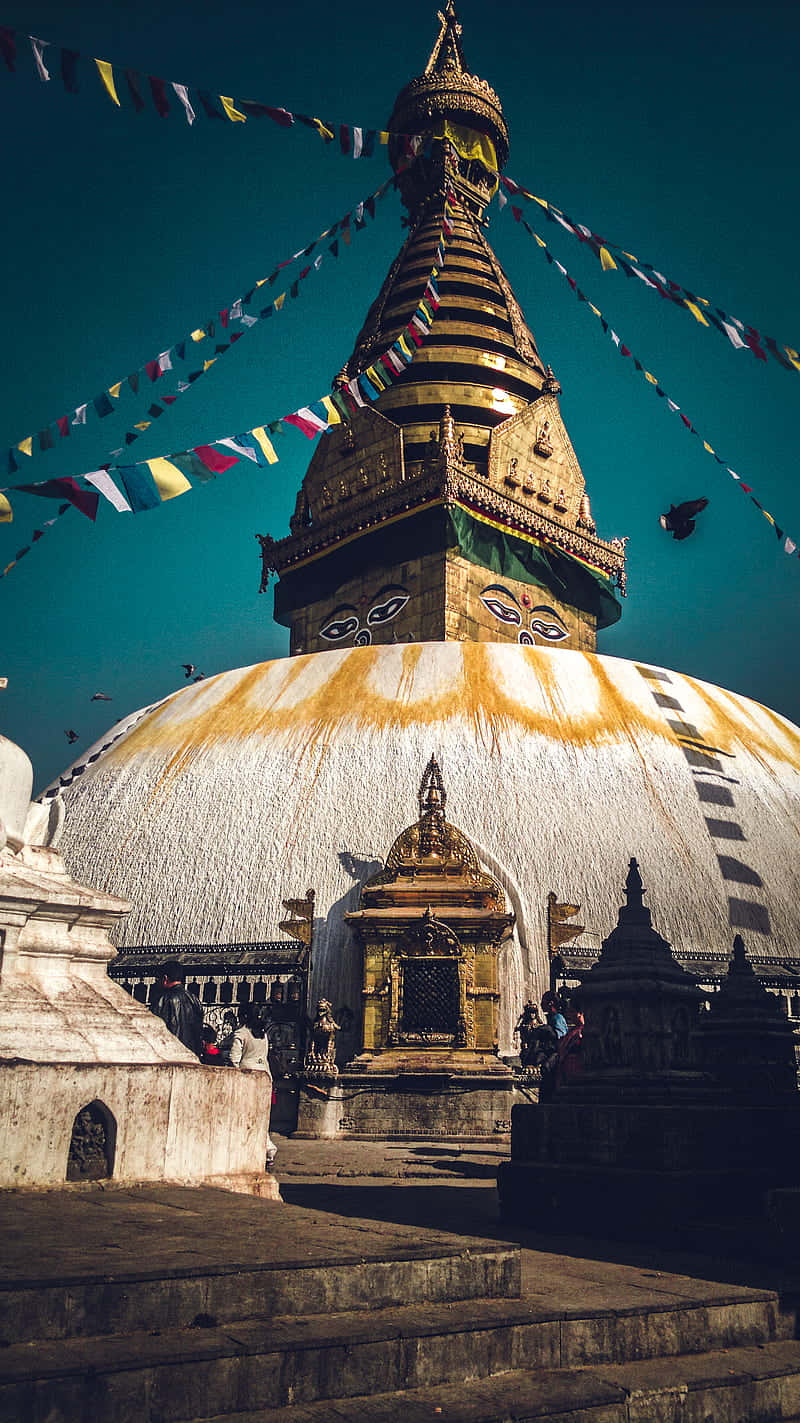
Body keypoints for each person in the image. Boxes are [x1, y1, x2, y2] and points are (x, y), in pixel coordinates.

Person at [230, 1004, 278, 1167]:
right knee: (260, 1116)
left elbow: (234, 1059)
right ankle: (266, 1148)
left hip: (247, 1076)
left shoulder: (241, 1033)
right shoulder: (263, 1035)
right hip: (264, 1076)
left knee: (246, 1115)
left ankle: (265, 1148)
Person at [154, 959, 204, 1058]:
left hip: (170, 1054)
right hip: (191, 1055)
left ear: (165, 978)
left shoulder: (163, 999)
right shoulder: (194, 999)